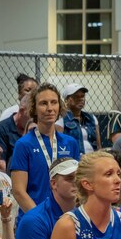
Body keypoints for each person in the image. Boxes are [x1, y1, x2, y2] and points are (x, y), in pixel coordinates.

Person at [11, 83, 80, 218]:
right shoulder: (24, 145)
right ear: (34, 109)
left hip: (65, 218)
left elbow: (76, 184)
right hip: (35, 219)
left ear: (59, 106)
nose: (49, 108)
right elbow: (18, 191)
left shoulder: (70, 143)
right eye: (43, 103)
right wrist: (41, 219)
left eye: (54, 102)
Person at [0, 93, 32, 171]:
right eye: (33, 116)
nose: (36, 120)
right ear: (22, 111)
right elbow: (0, 166)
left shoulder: (37, 129)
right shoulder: (0, 130)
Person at [61, 83, 100, 152]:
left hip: (92, 158)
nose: (81, 99)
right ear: (67, 100)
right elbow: (59, 144)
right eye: (76, 96)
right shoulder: (62, 119)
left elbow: (98, 146)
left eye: (82, 96)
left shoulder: (91, 118)